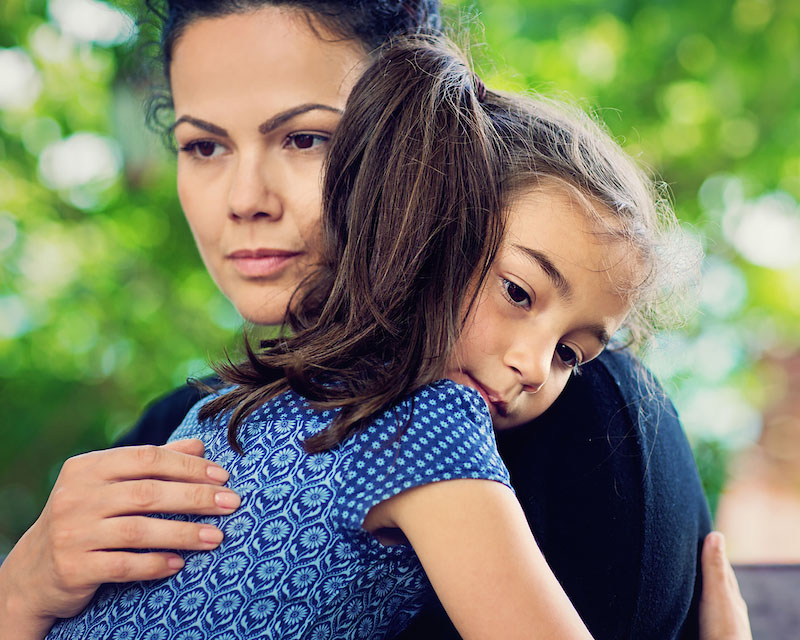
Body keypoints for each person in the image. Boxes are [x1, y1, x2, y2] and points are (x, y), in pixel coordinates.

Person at [0, 1, 711, 638]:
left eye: (305, 137)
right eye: (204, 145)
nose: (245, 199)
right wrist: (20, 590)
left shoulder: (588, 422)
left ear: (419, 149)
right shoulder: (198, 422)